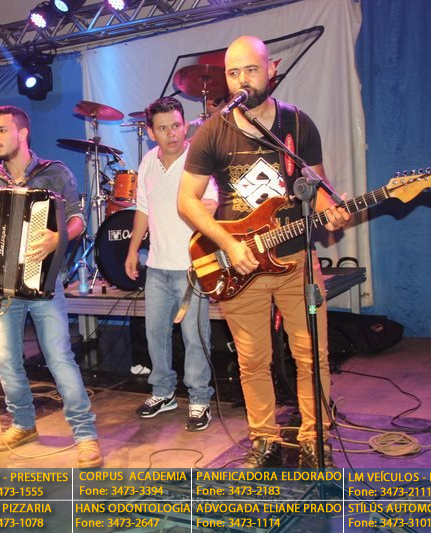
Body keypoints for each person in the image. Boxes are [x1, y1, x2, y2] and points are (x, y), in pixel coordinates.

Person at [177, 36, 350, 468]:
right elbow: (186, 201)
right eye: (233, 72)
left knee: (312, 355)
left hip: (296, 259)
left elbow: (317, 186)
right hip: (241, 263)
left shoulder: (297, 124)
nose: (241, 80)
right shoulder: (213, 130)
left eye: (250, 70)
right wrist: (228, 243)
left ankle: (314, 438)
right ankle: (264, 439)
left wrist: (331, 211)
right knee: (253, 360)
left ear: (271, 69)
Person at [0, 105, 102, 469]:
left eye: (2, 130)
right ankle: (23, 423)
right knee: (7, 361)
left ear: (23, 134)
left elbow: (77, 220)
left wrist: (57, 238)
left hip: (44, 283)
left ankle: (85, 434)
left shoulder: (55, 173)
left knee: (59, 358)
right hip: (1, 285)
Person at [123, 97, 218, 431]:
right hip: (158, 266)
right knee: (155, 334)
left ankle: (200, 398)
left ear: (186, 125)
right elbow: (143, 208)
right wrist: (133, 250)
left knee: (195, 336)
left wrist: (201, 209)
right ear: (151, 132)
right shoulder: (148, 161)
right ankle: (163, 392)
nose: (171, 133)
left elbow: (212, 203)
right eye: (163, 128)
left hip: (191, 267)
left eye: (176, 125)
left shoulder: (197, 158)